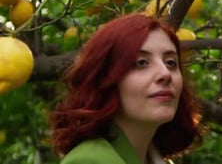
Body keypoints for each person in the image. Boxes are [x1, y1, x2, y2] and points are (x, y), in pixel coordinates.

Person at [51, 13, 202, 164]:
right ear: (105, 79)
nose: (165, 73)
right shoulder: (88, 161)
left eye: (170, 62)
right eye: (141, 62)